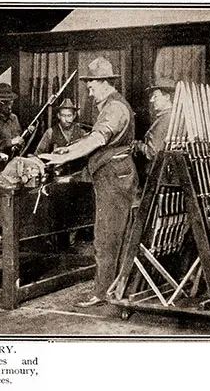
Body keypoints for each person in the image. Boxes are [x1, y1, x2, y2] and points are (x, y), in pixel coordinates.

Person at [39, 57, 139, 307]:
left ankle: (104, 292)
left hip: (114, 178)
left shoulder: (114, 108)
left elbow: (97, 140)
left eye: (92, 86)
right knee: (113, 233)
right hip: (114, 175)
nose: (90, 92)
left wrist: (60, 156)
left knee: (106, 235)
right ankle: (114, 288)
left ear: (105, 83)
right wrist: (68, 150)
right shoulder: (110, 105)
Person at [133, 78, 175, 166]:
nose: (151, 100)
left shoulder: (166, 119)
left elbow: (152, 152)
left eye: (155, 96)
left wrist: (136, 145)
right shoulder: (170, 116)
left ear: (167, 97)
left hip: (158, 172)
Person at [0, 83, 25, 153]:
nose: (9, 107)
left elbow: (18, 138)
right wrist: (10, 142)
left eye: (11, 103)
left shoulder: (14, 118)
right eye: (6, 104)